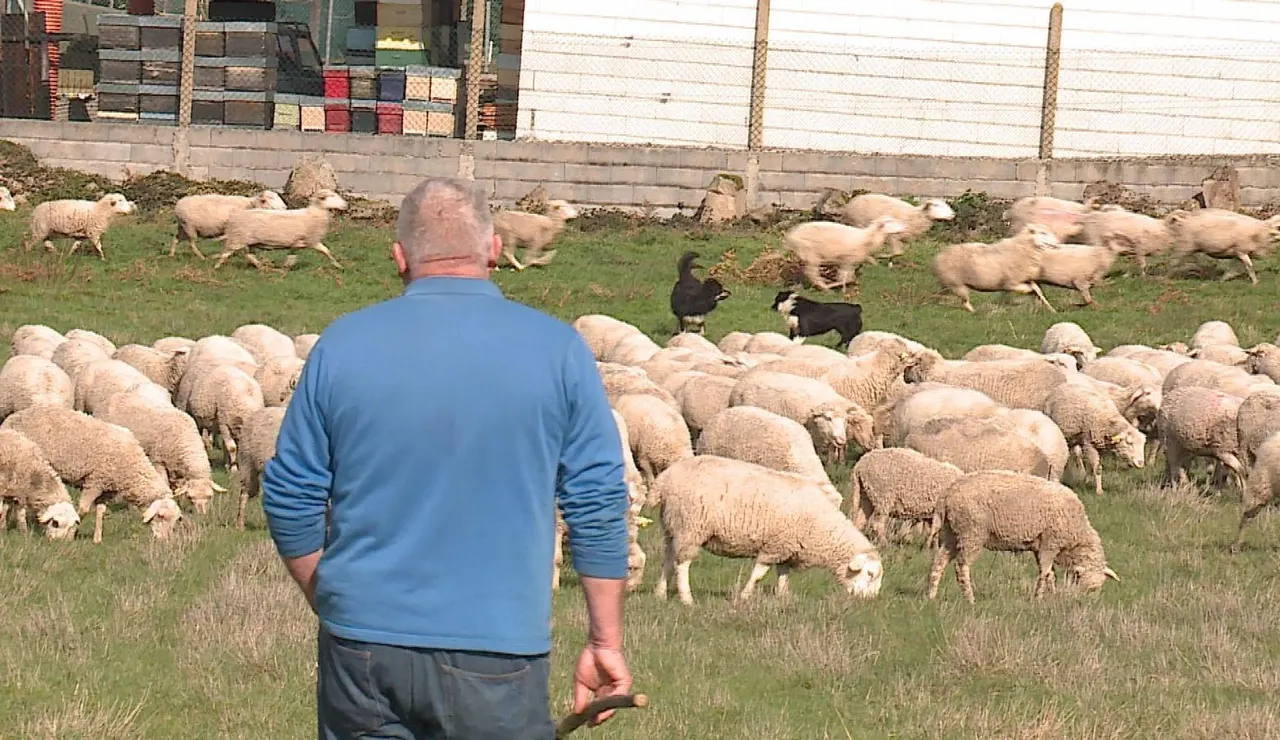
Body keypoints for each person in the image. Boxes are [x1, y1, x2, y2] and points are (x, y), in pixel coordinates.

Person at [261, 176, 633, 739]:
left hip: (362, 649)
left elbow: (289, 494)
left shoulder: (341, 345)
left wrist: (335, 597)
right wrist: (604, 641)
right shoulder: (557, 350)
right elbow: (598, 502)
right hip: (497, 651)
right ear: (493, 248)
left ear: (399, 258)